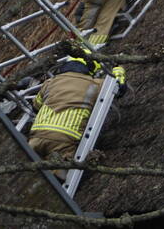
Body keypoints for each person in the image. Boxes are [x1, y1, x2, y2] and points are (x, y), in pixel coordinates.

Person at [27, 51, 127, 179]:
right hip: (65, 139)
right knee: (58, 181)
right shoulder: (97, 84)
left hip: (36, 137)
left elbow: (36, 106)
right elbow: (118, 88)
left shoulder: (50, 82)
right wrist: (118, 69)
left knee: (28, 176)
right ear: (90, 68)